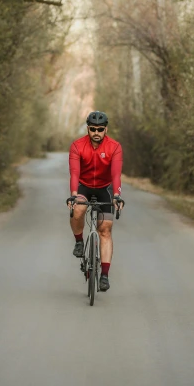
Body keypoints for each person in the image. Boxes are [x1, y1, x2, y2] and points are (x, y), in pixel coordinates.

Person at [68, 111, 123, 292]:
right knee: (78, 209)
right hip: (83, 186)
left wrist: (116, 195)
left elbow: (115, 174)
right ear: (88, 129)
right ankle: (79, 241)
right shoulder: (77, 146)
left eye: (100, 129)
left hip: (104, 188)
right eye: (93, 129)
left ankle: (104, 276)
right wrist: (74, 194)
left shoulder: (114, 147)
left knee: (105, 230)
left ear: (106, 129)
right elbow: (74, 173)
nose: (96, 132)